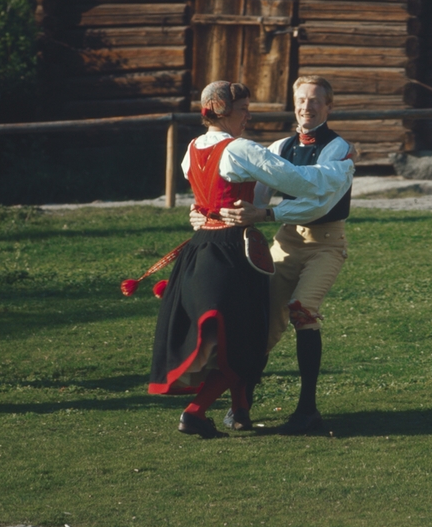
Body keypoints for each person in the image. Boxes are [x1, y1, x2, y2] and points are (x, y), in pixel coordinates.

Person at [149, 80, 352, 438]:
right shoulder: (244, 148)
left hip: (208, 249)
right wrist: (339, 174)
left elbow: (205, 188)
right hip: (232, 249)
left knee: (249, 329)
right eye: (243, 109)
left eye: (315, 101)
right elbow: (301, 183)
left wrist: (202, 213)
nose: (249, 114)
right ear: (225, 112)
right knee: (246, 333)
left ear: (329, 106)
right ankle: (201, 411)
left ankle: (253, 409)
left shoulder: (193, 147)